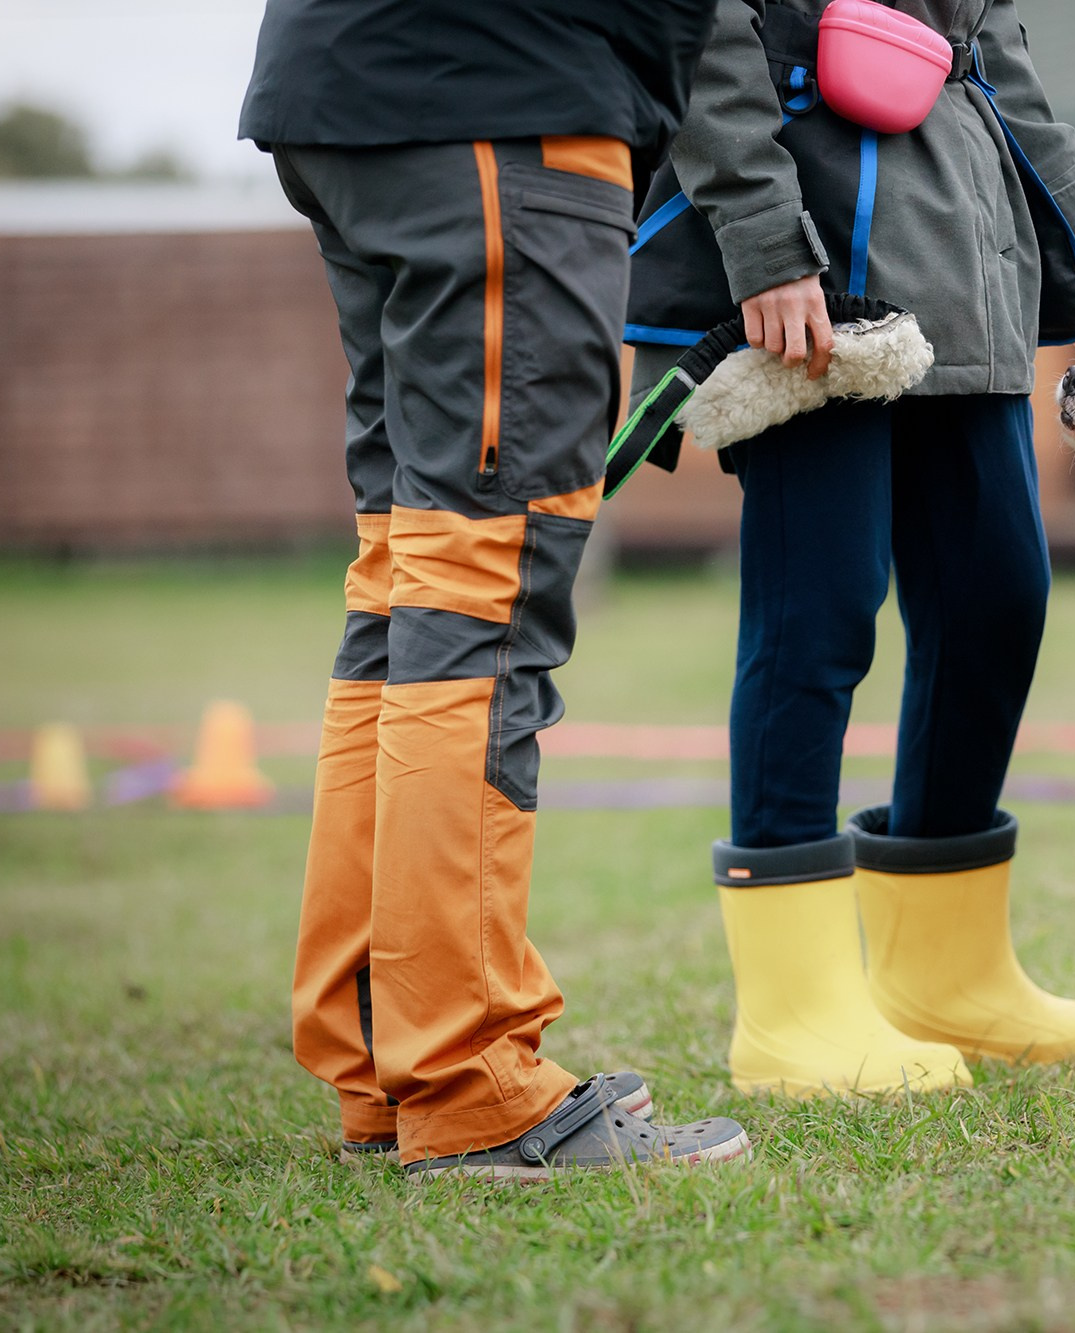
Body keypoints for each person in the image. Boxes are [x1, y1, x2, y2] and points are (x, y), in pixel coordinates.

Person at [238, 0, 750, 1178]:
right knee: (483, 588)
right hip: (503, 92)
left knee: (406, 586)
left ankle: (388, 1055)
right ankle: (470, 1081)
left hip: (370, 87)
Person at [627, 0, 1075, 1097]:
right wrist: (764, 243)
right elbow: (708, 41)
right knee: (817, 610)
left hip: (967, 247)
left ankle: (944, 974)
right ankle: (790, 1010)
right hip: (813, 254)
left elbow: (989, 40)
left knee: (995, 600)